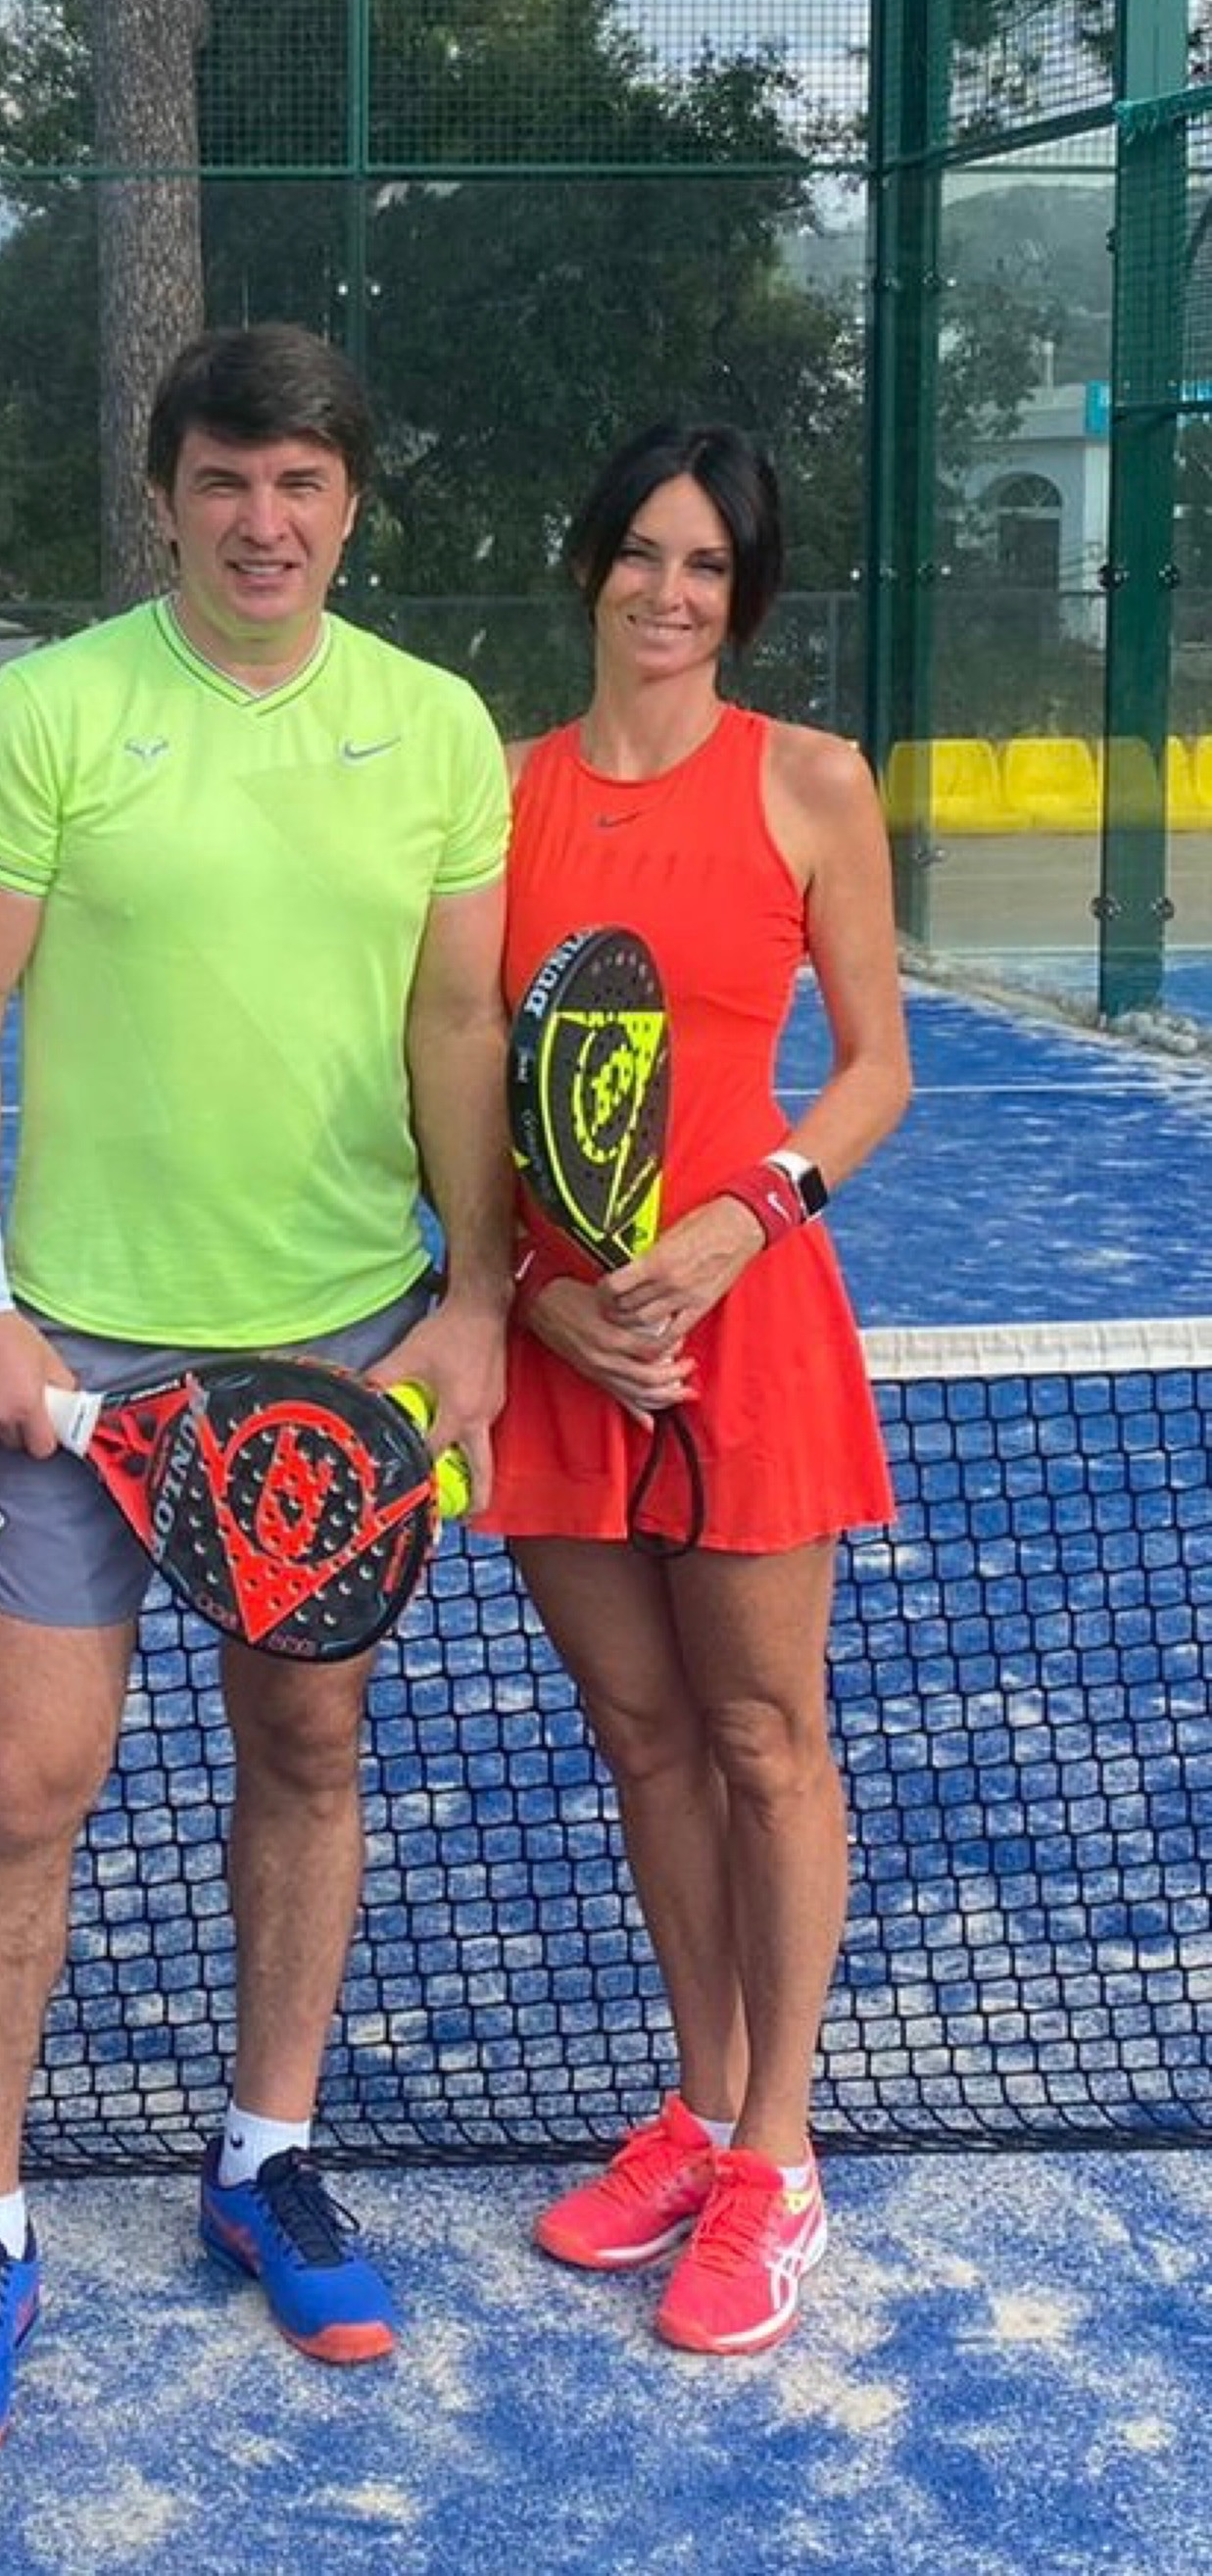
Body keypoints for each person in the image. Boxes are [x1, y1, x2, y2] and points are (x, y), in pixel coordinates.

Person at [0, 322, 513, 2461]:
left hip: (334, 1346)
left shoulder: (435, 729)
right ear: (163, 497)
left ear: (350, 505)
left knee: (307, 1746)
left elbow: (456, 1026)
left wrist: (477, 1297)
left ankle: (264, 2153)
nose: (264, 520)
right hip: (72, 1342)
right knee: (17, 1786)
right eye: (226, 480)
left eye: (301, 483)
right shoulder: (45, 711)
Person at [477, 418, 910, 2357]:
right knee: (643, 1737)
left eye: (707, 566)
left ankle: (777, 2156)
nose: (667, 592)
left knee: (760, 1735)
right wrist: (537, 1299)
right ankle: (701, 2103)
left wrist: (752, 1212)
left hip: (746, 1318)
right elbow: (451, 1078)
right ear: (590, 564)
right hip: (562, 1339)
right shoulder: (495, 796)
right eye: (642, 553)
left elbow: (875, 1069)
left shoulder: (810, 781)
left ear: (743, 597)